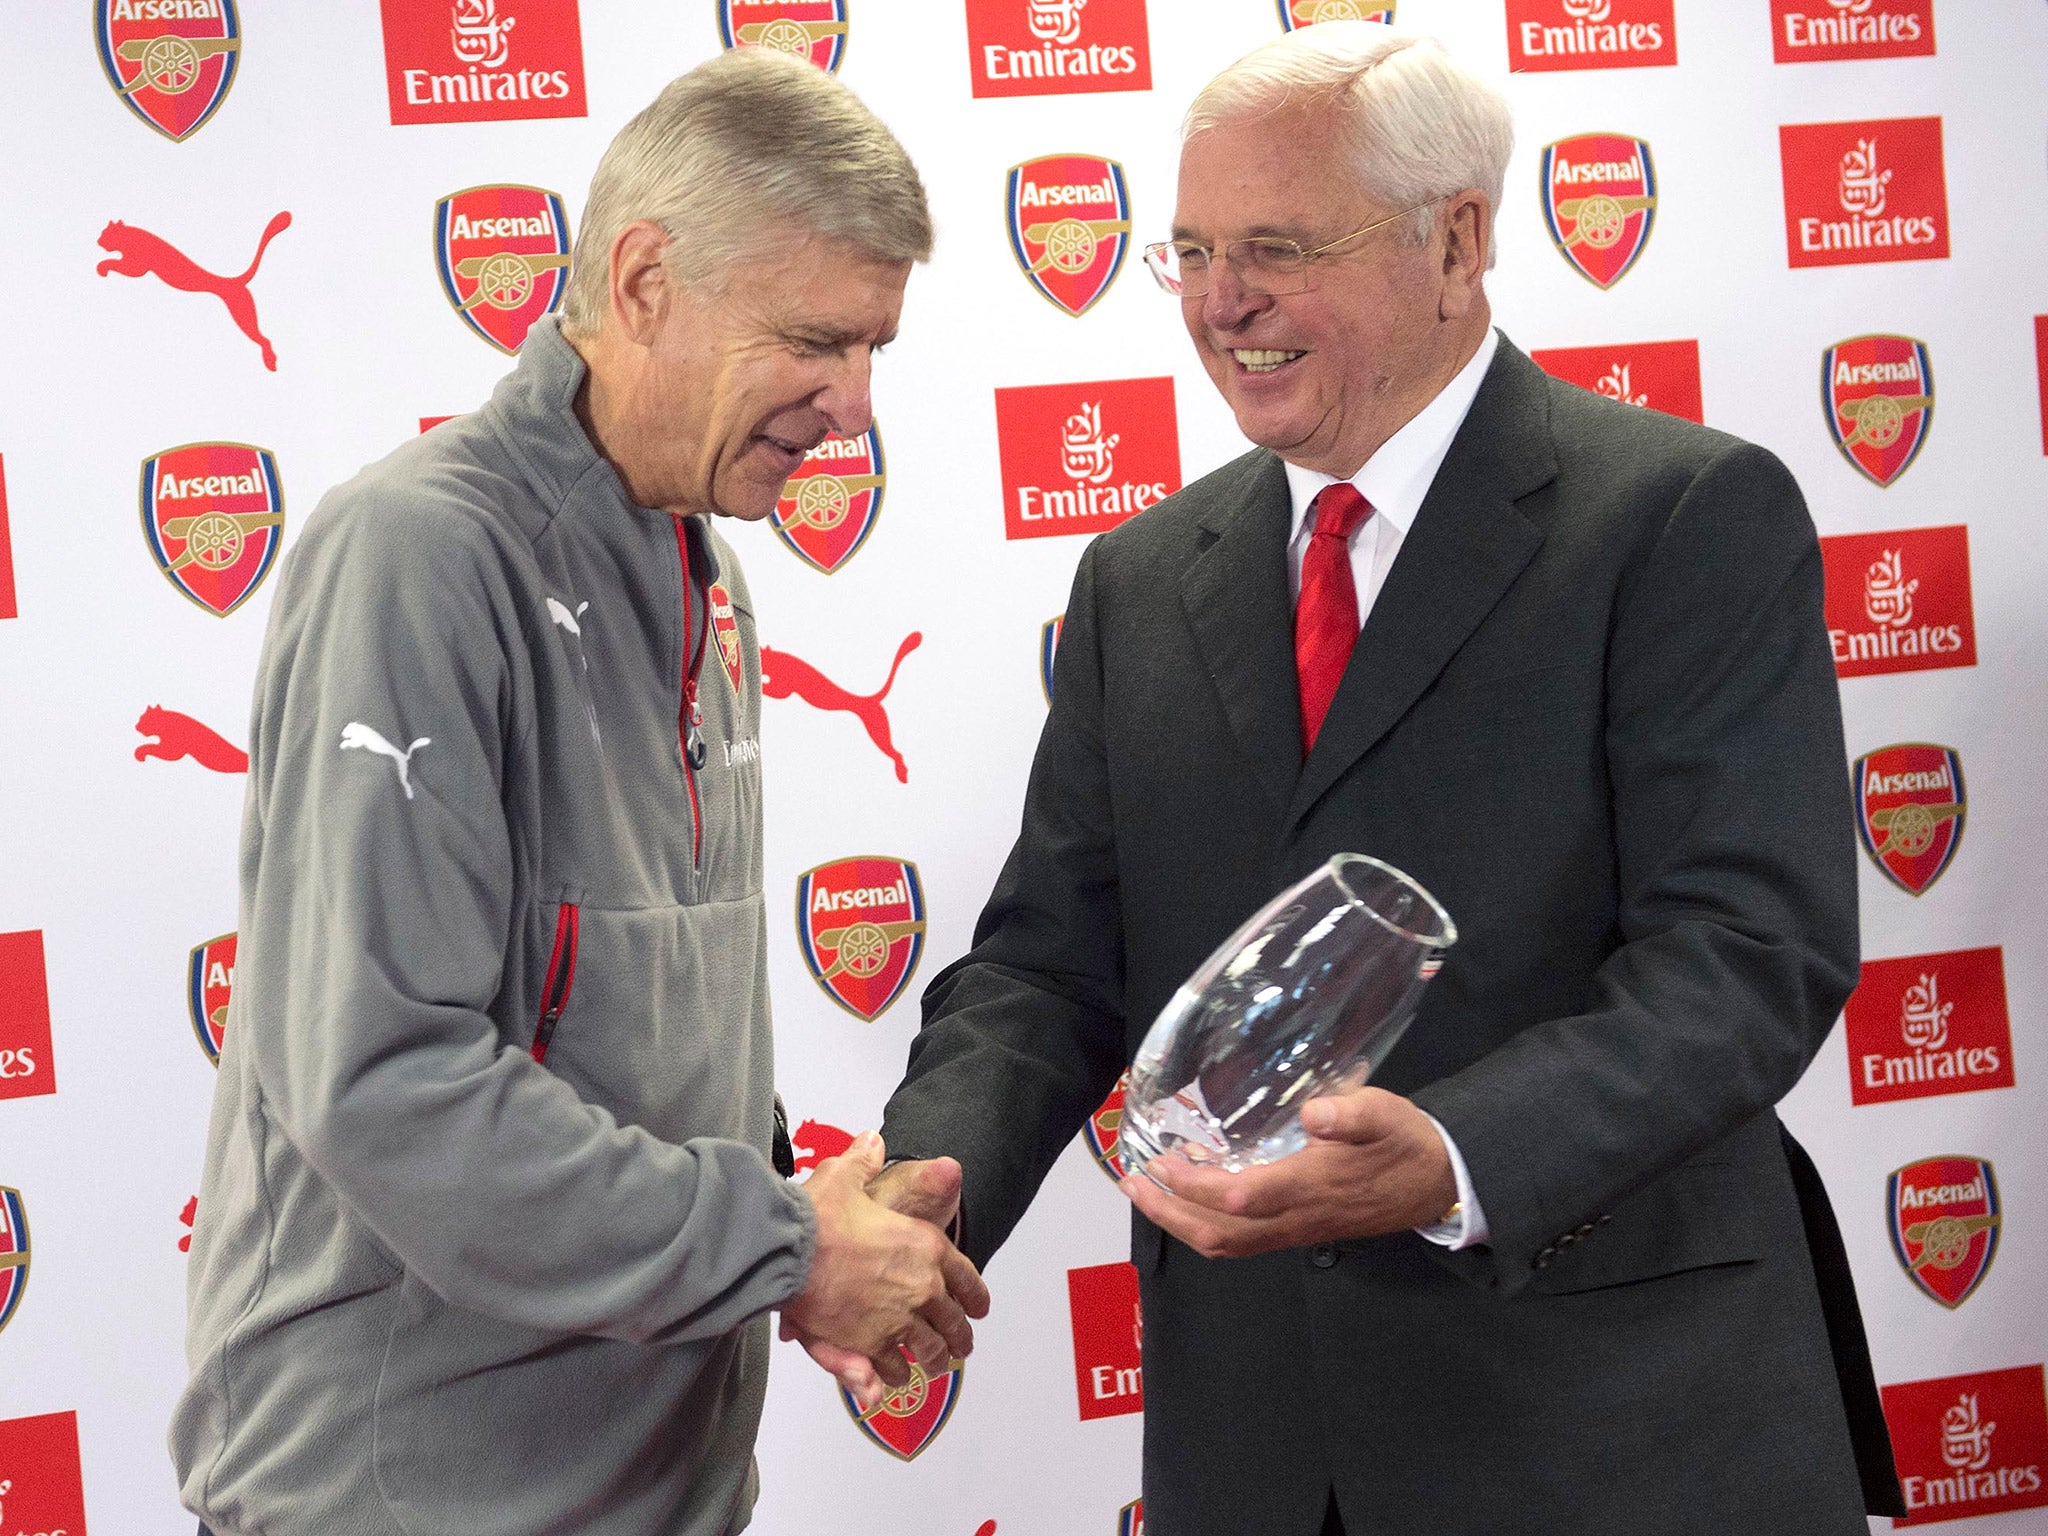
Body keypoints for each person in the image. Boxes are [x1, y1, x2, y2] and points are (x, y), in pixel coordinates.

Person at [876, 25, 1902, 1535]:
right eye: (1194, 252)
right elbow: (1045, 964)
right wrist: (917, 1188)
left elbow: (1747, 959)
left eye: (1278, 248)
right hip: (1263, 1451)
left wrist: (1456, 1157)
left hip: (1620, 1435)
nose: (1224, 304)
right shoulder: (1136, 580)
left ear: (1460, 241)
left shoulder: (1683, 518)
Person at [170, 49, 986, 1536]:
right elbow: (388, 1085)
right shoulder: (417, 557)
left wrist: (812, 1210)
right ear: (646, 279)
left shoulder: (705, 565)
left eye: (875, 350)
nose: (855, 411)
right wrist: (782, 1249)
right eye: (817, 339)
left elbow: (615, 1024)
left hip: (653, 1494)